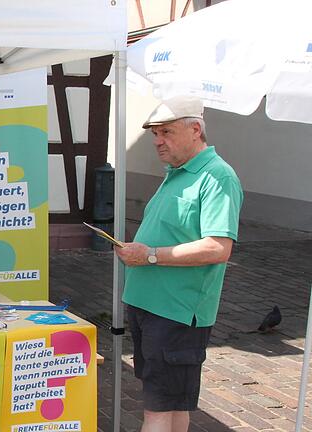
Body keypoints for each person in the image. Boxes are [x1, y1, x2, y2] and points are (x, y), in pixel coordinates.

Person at [115, 96, 243, 432]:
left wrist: (150, 254)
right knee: (170, 402)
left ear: (195, 129)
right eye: (155, 133)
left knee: (158, 409)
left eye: (167, 132)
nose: (158, 141)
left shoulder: (217, 176)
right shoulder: (176, 172)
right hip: (150, 304)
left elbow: (218, 247)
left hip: (177, 311)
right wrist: (140, 253)